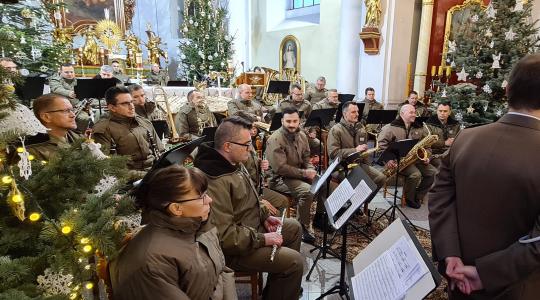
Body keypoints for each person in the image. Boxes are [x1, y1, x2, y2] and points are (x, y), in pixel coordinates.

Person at [428, 54, 540, 300]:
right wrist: (484, 274)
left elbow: (438, 197)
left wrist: (451, 254)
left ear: (508, 90)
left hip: (457, 277)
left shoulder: (466, 137)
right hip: (515, 287)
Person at [194, 116, 304, 300]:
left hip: (249, 229)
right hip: (233, 251)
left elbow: (248, 198)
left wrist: (264, 216)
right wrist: (262, 239)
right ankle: (285, 282)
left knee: (294, 228)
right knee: (294, 262)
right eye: (246, 144)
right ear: (228, 146)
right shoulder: (215, 179)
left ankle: (279, 289)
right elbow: (224, 237)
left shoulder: (234, 161)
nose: (250, 148)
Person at [109, 165, 237, 300]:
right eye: (202, 196)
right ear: (176, 208)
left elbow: (221, 270)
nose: (210, 200)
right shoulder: (153, 262)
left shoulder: (197, 226)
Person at [266, 107, 318, 243]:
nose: (292, 124)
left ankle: (320, 217)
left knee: (322, 183)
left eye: (295, 121)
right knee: (307, 192)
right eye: (288, 121)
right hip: (280, 179)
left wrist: (311, 169)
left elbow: (307, 157)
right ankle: (302, 227)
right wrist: (304, 173)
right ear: (282, 121)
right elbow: (280, 168)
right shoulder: (275, 139)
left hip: (298, 174)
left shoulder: (301, 135)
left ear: (299, 121)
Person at [377, 104, 437, 209]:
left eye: (415, 112)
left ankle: (418, 195)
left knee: (433, 173)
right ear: (402, 113)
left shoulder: (419, 127)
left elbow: (428, 146)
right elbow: (381, 146)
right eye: (411, 112)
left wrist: (426, 156)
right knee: (415, 175)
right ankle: (409, 198)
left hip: (417, 159)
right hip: (399, 160)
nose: (414, 115)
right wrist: (388, 160)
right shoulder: (389, 128)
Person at [93, 86, 164, 172]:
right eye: (125, 103)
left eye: (131, 102)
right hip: (127, 180)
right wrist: (145, 176)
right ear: (112, 107)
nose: (131, 106)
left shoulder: (144, 122)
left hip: (152, 171)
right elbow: (107, 166)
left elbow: (160, 151)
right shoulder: (103, 129)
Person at [27, 93, 82, 161]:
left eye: (72, 110)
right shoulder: (33, 150)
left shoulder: (78, 137)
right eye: (66, 111)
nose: (73, 115)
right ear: (46, 117)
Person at [424, 102, 461, 168]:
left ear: (449, 112)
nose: (442, 113)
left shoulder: (455, 125)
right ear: (437, 111)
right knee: (445, 166)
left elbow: (459, 140)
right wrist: (444, 143)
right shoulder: (428, 124)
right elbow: (426, 143)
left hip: (451, 154)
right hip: (435, 155)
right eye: (440, 111)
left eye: (445, 111)